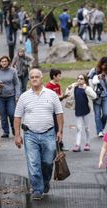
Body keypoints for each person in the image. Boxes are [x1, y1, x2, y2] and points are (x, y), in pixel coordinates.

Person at [14, 68, 64, 200]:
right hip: (30, 135)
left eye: (37, 76)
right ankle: (37, 189)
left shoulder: (51, 94)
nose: (34, 79)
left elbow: (59, 113)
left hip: (48, 134)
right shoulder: (24, 97)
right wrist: (17, 135)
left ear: (42, 78)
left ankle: (45, 182)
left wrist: (60, 131)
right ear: (29, 80)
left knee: (47, 162)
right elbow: (17, 117)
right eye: (32, 77)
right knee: (33, 163)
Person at [65, 74, 96, 152]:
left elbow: (94, 96)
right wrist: (70, 88)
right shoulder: (74, 87)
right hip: (78, 111)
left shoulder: (87, 88)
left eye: (81, 79)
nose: (79, 80)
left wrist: (86, 89)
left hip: (86, 111)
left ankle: (87, 143)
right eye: (78, 78)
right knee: (78, 128)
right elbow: (67, 91)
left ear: (85, 80)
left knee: (87, 128)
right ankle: (77, 145)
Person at [88, 57, 107, 137]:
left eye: (106, 65)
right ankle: (99, 131)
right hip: (96, 96)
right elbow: (88, 79)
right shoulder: (94, 70)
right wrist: (95, 80)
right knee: (97, 114)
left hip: (105, 96)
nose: (103, 67)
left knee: (106, 114)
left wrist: (105, 78)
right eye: (102, 64)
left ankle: (101, 129)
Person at [0, 55, 20, 138]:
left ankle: (14, 128)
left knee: (11, 113)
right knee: (3, 115)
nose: (4, 63)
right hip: (0, 96)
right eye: (2, 61)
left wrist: (17, 95)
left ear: (8, 62)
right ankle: (5, 131)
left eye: (5, 61)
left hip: (10, 96)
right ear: (0, 62)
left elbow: (16, 83)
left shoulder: (13, 71)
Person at [45, 69, 69, 151]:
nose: (60, 77)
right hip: (51, 111)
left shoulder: (58, 86)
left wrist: (63, 96)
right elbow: (51, 98)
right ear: (54, 76)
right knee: (54, 127)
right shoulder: (48, 86)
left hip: (58, 110)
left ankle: (60, 144)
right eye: (59, 76)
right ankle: (56, 145)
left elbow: (60, 97)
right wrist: (60, 96)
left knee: (59, 127)